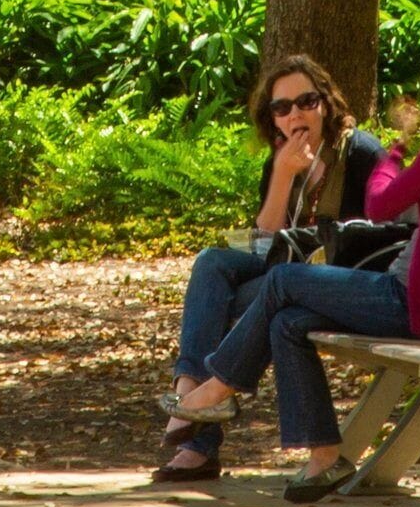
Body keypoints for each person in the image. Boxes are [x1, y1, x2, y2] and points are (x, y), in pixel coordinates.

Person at [166, 34, 420, 504]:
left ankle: (216, 389)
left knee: (282, 280)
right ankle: (324, 455)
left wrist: (396, 150)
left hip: (416, 303)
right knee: (288, 321)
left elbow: (379, 203)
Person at [154, 54, 384, 483]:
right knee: (211, 264)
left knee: (249, 300)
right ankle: (191, 395)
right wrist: (282, 175)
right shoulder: (282, 158)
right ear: (272, 117)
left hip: (336, 286)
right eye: (282, 108)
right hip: (285, 277)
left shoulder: (360, 153)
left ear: (326, 104)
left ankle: (195, 432)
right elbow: (266, 240)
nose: (295, 114)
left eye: (306, 102)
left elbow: (382, 232)